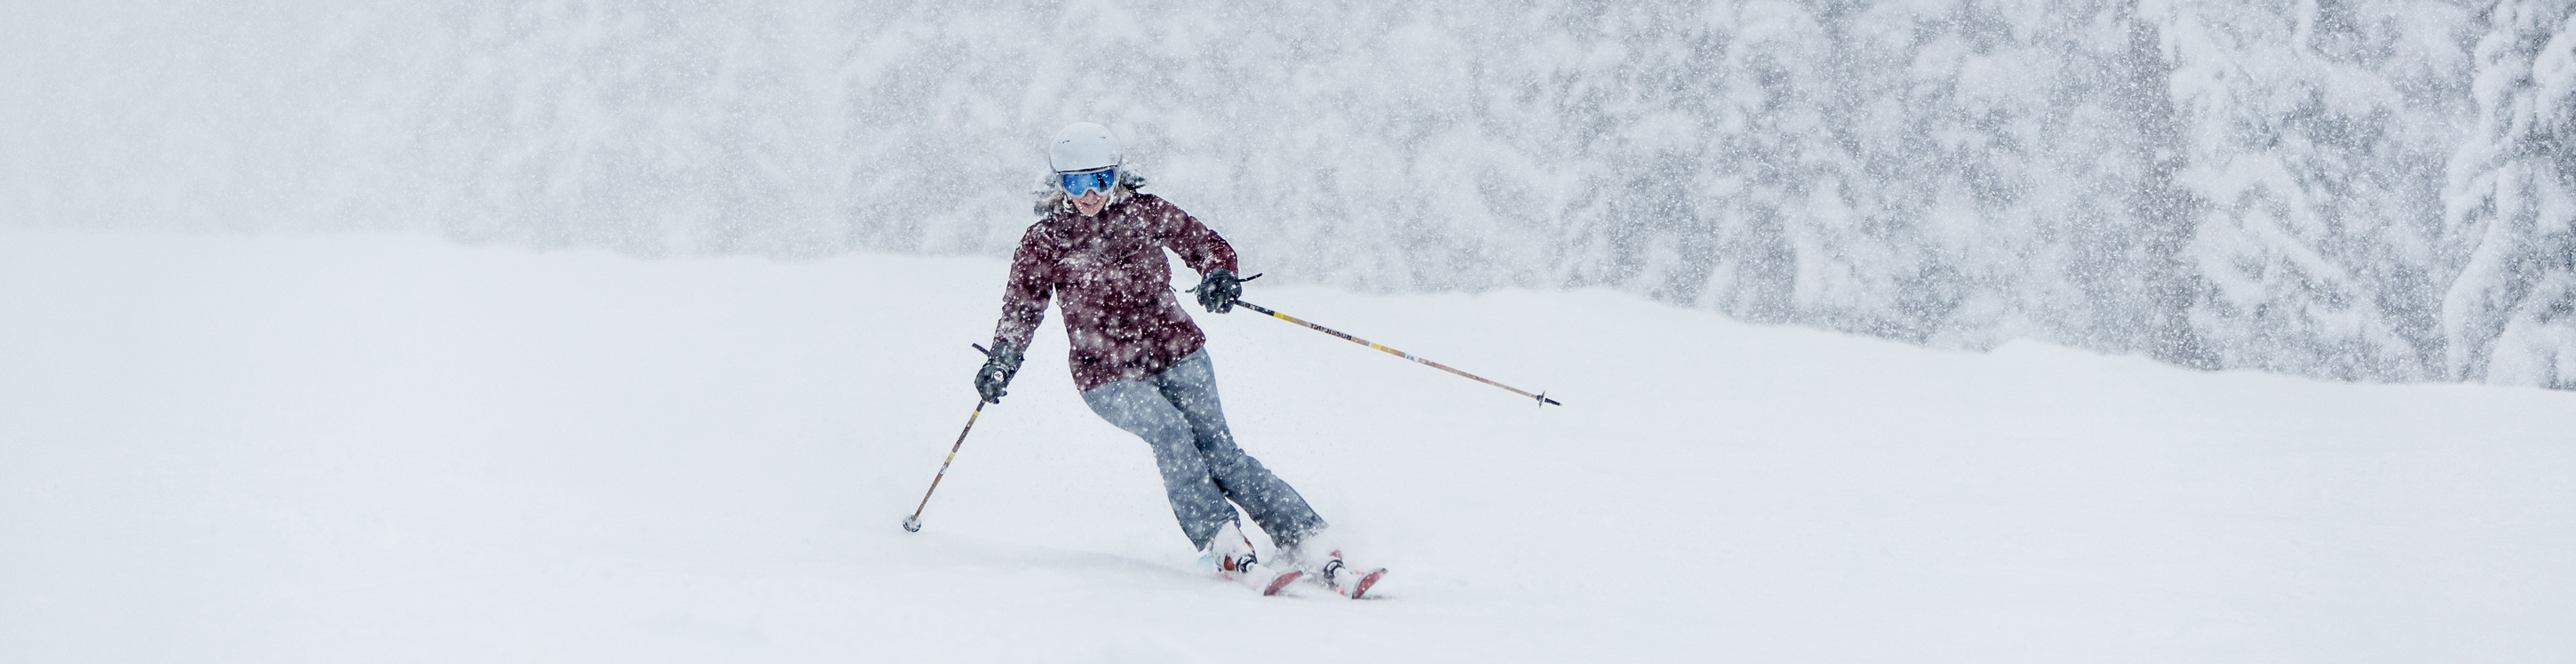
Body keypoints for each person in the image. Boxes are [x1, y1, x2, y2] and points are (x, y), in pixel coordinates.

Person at [972, 122, 1383, 597]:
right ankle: (1222, 538)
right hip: (1106, 375)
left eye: (1100, 180)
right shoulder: (1045, 241)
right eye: (1076, 183)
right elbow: (1022, 307)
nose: (1090, 195)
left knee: (1221, 451)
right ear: (1058, 184)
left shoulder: (1145, 213)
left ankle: (1307, 538)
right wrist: (1003, 357)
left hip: (1178, 351)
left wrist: (1219, 275)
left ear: (1118, 176)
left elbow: (1204, 244)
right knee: (1170, 433)